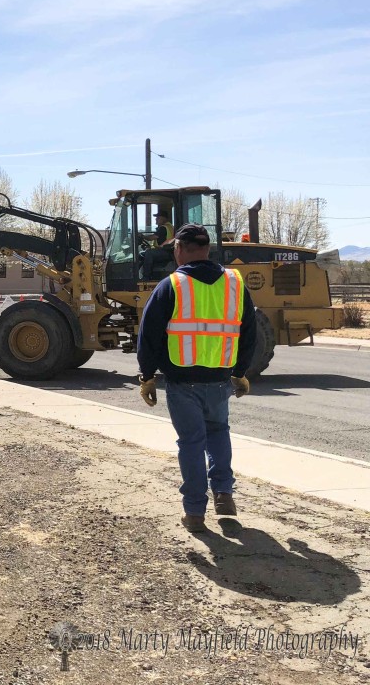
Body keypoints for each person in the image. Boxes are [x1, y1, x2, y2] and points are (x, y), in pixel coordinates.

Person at [137, 224, 257, 533]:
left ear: (179, 249)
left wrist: (147, 377)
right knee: (218, 434)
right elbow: (248, 331)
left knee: (191, 443)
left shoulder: (171, 284)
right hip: (219, 380)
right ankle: (224, 494)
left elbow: (148, 335)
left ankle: (194, 513)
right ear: (207, 249)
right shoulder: (234, 283)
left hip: (181, 381)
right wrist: (240, 372)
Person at [141, 210, 175, 280]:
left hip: (167, 252)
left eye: (158, 217)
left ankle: (146, 277)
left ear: (164, 218)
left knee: (149, 253)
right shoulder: (170, 226)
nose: (156, 219)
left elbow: (152, 237)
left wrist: (142, 236)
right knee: (142, 254)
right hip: (167, 251)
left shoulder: (164, 227)